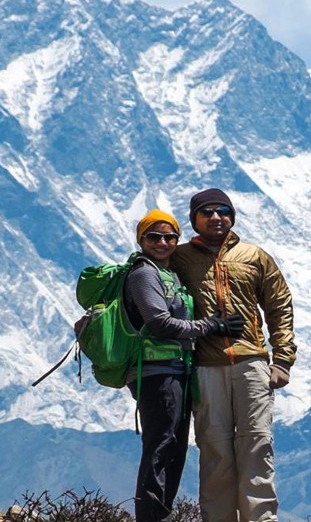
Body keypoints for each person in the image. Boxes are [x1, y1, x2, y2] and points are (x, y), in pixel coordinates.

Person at [169, 189, 297, 522]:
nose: (215, 217)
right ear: (194, 219)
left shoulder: (255, 256)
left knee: (257, 445)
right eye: (206, 212)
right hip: (204, 366)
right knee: (214, 451)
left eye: (222, 210)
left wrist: (282, 359)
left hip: (252, 362)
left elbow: (279, 305)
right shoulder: (179, 259)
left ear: (232, 216)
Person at [124, 209, 246, 522]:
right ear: (142, 239)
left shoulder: (168, 273)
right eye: (154, 236)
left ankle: (158, 515)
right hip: (156, 373)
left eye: (169, 237)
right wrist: (212, 326)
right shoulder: (143, 274)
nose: (162, 242)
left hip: (175, 372)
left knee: (174, 447)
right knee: (162, 446)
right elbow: (160, 323)